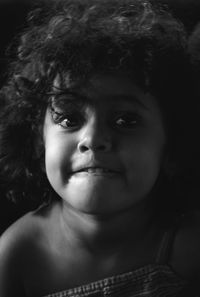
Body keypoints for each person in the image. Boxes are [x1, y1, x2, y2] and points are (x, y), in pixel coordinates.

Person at [0, 0, 200, 296]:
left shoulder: (188, 246)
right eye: (69, 118)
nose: (93, 139)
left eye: (125, 120)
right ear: (37, 140)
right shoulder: (16, 255)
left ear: (171, 145)